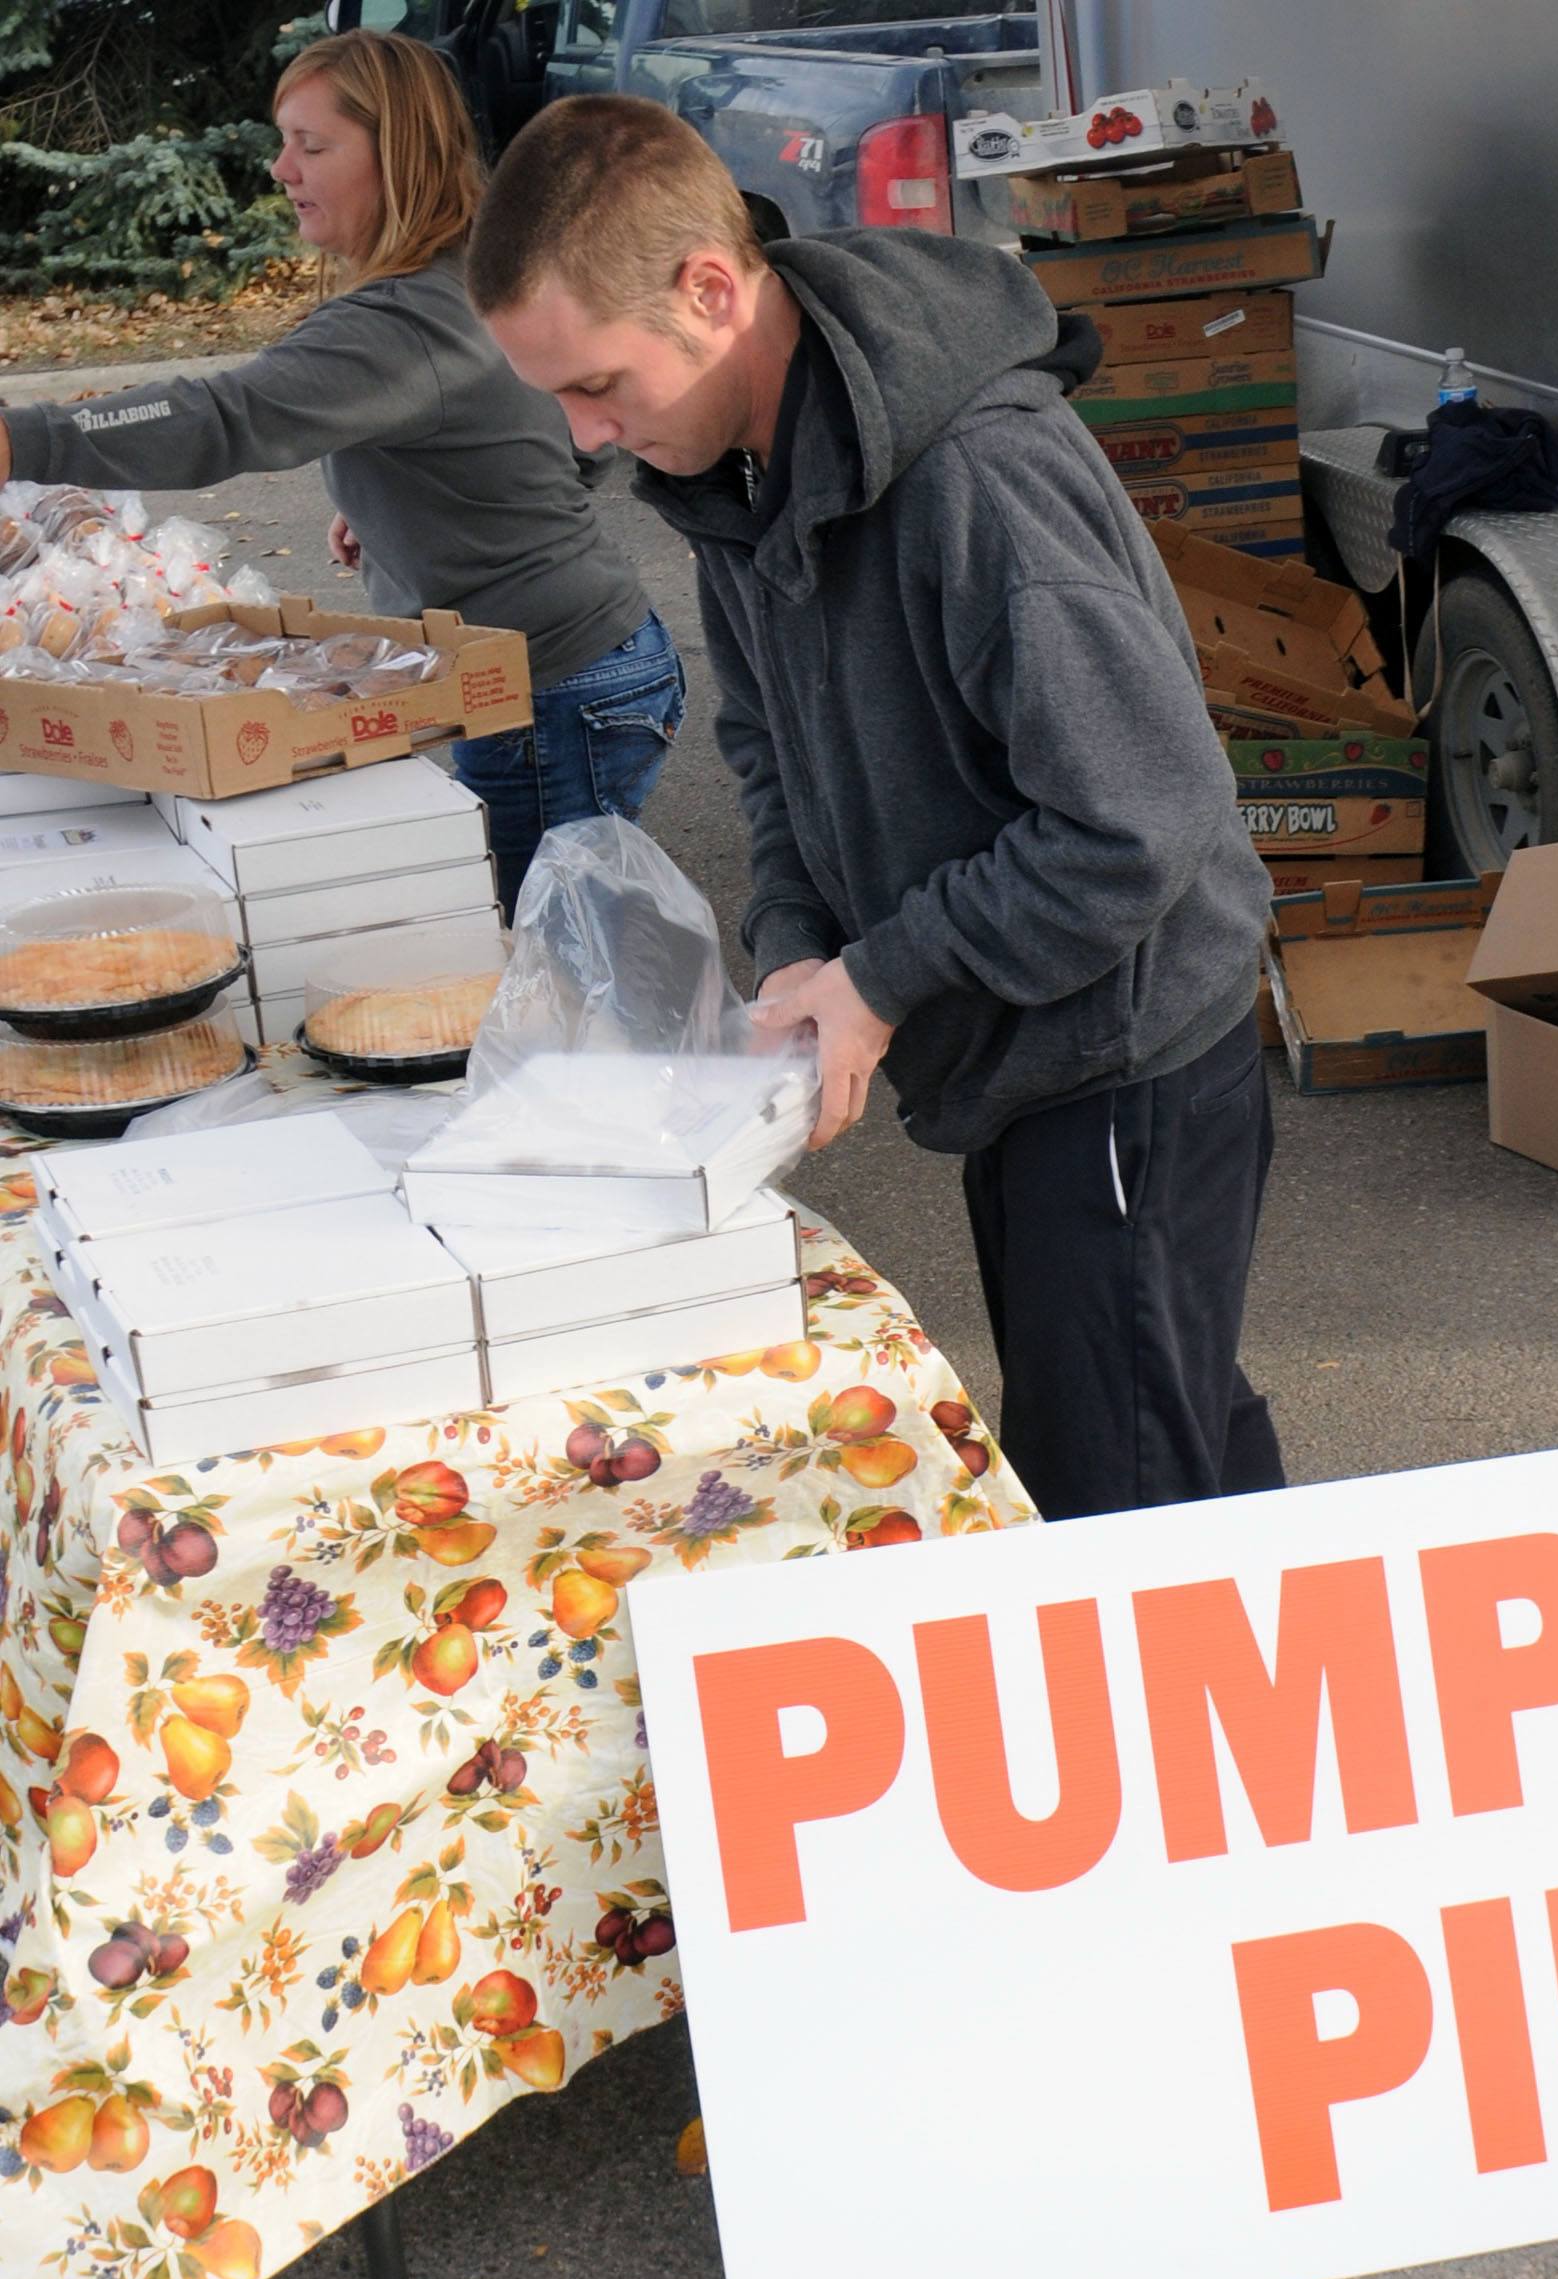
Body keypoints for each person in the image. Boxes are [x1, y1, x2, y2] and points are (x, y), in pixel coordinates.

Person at [464, 96, 1284, 1524]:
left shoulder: (978, 481)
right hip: (1019, 1039)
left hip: (1122, 1052)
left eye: (598, 384)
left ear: (710, 292)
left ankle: (1194, 1721)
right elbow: (767, 741)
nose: (585, 437)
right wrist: (798, 943)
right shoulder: (731, 468)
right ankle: (1289, 1678)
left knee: (1116, 1488)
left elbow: (1140, 817)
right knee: (1169, 1409)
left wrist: (886, 974)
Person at [0, 31, 683, 909]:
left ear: (397, 153)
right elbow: (574, 441)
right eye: (283, 140)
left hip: (554, 687)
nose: (282, 167)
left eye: (312, 145)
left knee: (551, 963)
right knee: (556, 944)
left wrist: (26, 438)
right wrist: (406, 494)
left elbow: (226, 417)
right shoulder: (475, 274)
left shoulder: (400, 324)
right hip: (579, 665)